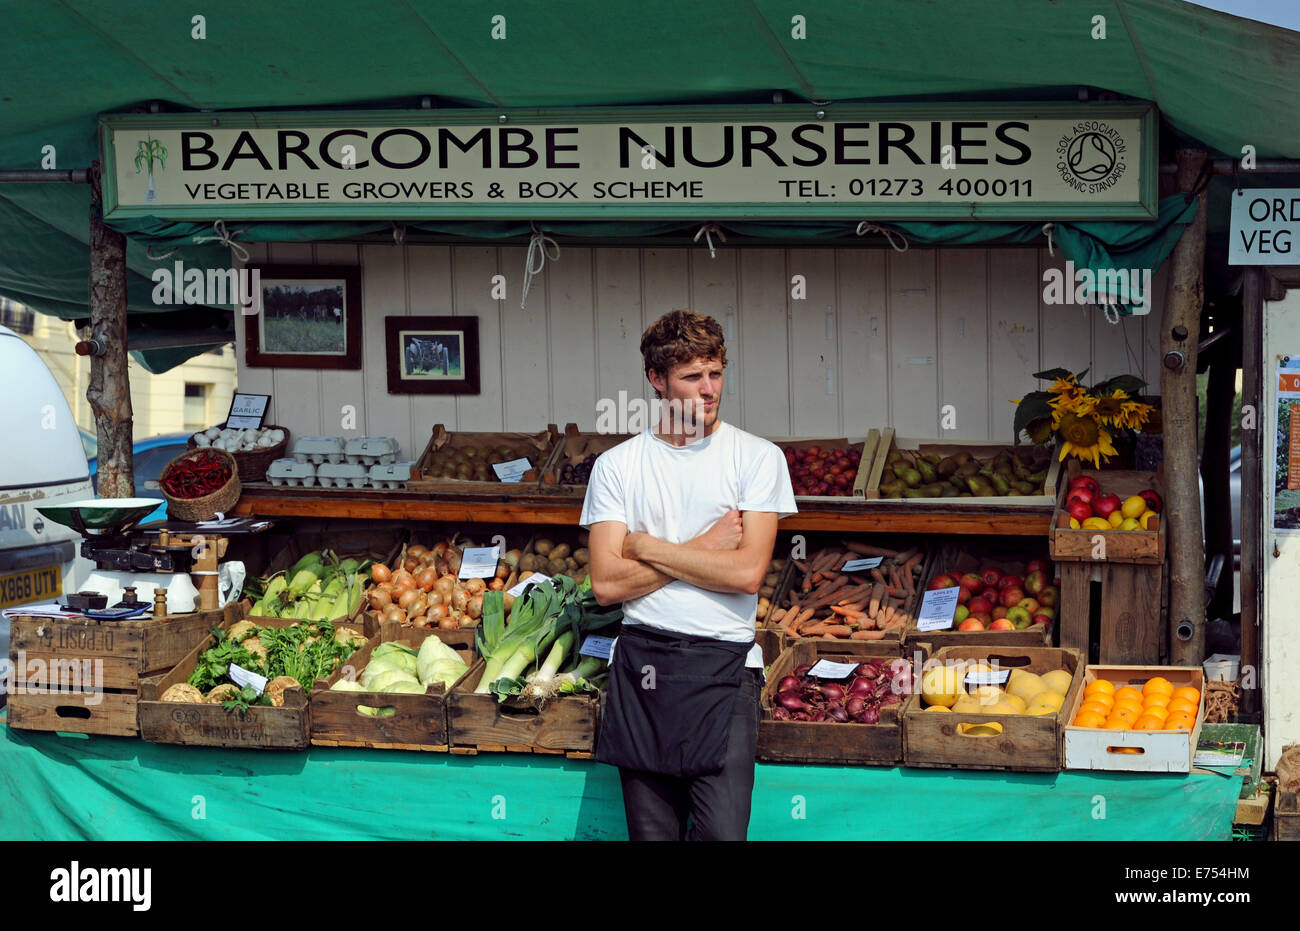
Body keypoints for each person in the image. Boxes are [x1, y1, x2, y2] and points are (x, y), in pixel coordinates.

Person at [579, 309, 797, 841]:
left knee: (723, 835)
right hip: (642, 666)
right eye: (692, 377)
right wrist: (703, 549)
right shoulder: (618, 466)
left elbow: (746, 573)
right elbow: (606, 585)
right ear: (657, 380)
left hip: (725, 665)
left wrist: (647, 547)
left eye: (716, 373)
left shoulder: (758, 458)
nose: (708, 389)